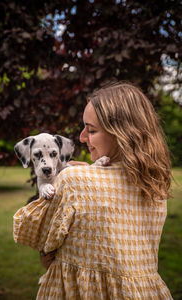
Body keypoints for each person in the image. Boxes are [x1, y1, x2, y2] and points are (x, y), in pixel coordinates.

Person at [13, 81, 173, 299]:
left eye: (91, 130)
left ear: (121, 133)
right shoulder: (155, 185)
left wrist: (77, 178)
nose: (81, 137)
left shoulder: (74, 181)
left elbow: (38, 240)